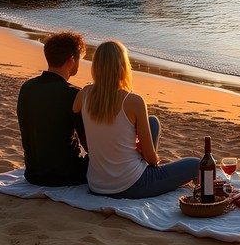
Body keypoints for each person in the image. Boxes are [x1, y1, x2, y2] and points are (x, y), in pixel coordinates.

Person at [73, 40, 200, 198]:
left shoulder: (83, 94)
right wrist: (151, 158)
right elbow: (152, 159)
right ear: (123, 67)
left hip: (97, 184)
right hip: (130, 186)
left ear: (96, 66)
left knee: (152, 122)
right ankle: (142, 169)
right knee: (197, 165)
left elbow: (79, 121)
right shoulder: (133, 101)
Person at [16, 31, 88, 186]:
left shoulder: (27, 87)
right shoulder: (72, 94)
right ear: (72, 60)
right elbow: (88, 141)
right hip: (66, 175)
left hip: (33, 173)